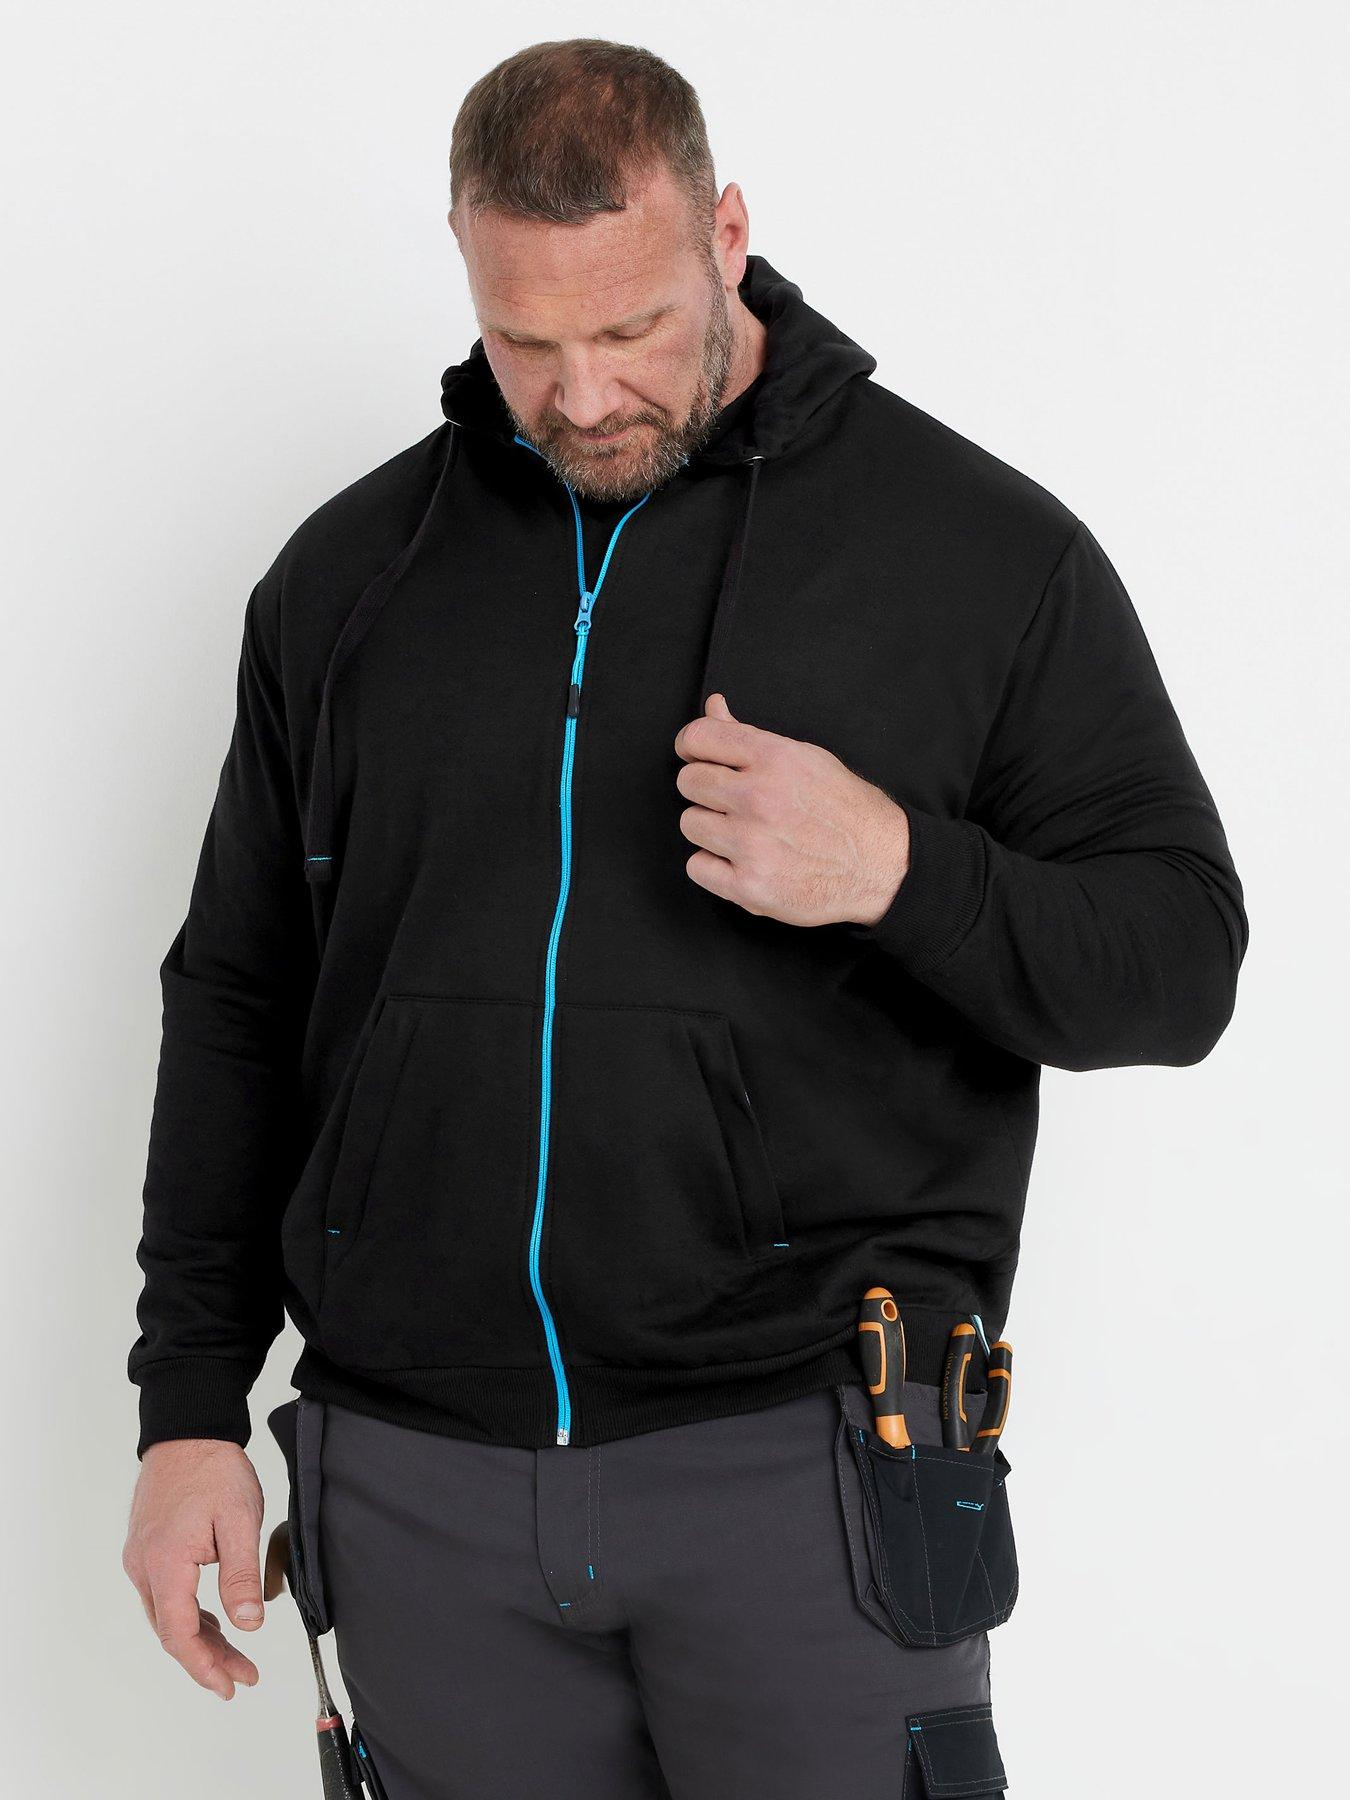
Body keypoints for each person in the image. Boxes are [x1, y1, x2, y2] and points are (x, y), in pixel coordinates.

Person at [121, 36, 1248, 1799]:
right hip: (416, 1482)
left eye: (633, 329)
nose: (581, 398)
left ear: (726, 235)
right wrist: (189, 1408)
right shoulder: (348, 581)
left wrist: (896, 871)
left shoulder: (974, 555)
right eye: (525, 342)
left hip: (807, 1467)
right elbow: (239, 998)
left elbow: (1178, 963)